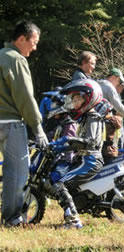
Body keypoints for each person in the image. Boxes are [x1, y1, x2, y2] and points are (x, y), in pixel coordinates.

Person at [0, 20, 48, 226]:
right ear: (21, 39)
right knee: (17, 174)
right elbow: (25, 97)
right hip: (11, 124)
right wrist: (37, 127)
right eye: (34, 42)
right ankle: (12, 219)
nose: (35, 48)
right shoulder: (16, 59)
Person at [49, 79, 109, 228]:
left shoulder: (92, 117)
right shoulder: (84, 118)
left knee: (60, 184)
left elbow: (90, 141)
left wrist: (68, 139)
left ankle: (74, 220)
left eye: (77, 99)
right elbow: (77, 144)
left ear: (88, 98)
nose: (74, 102)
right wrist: (58, 147)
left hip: (90, 161)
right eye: (72, 99)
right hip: (83, 159)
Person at [97, 68, 124, 162]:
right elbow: (118, 106)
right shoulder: (108, 86)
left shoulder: (97, 84)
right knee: (109, 152)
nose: (119, 84)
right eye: (119, 81)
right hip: (104, 127)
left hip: (93, 125)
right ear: (114, 77)